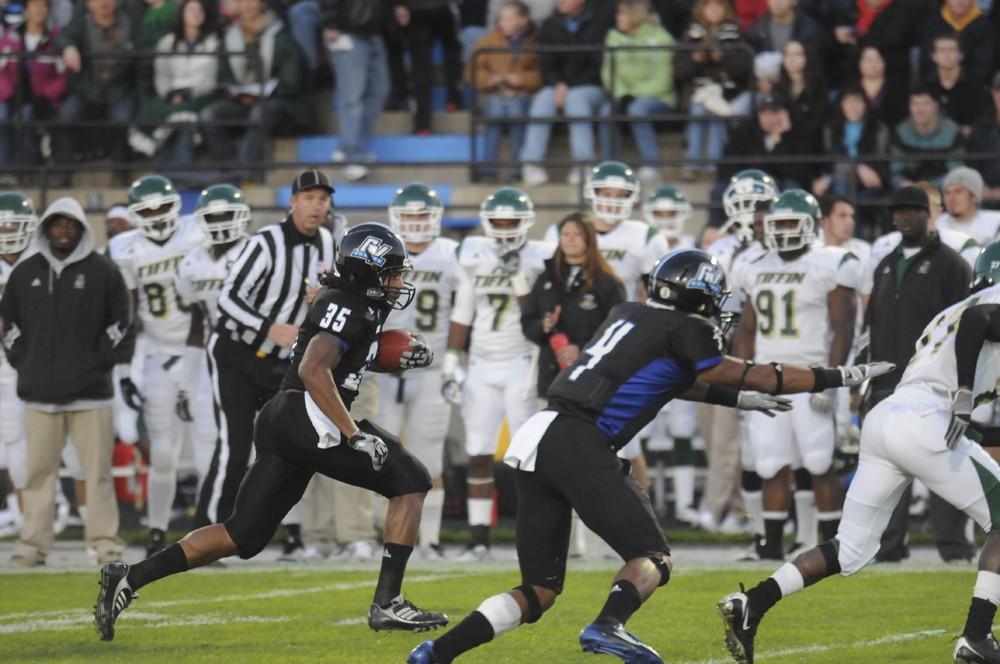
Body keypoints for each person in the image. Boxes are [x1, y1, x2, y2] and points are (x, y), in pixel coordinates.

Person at [409, 248, 892, 664]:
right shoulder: (687, 327)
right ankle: (607, 625)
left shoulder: (626, 313)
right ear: (696, 295)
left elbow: (666, 378)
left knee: (539, 590)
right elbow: (749, 373)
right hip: (582, 440)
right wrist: (838, 376)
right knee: (653, 557)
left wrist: (734, 398)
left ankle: (437, 652)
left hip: (541, 434)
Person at [95, 223, 449, 641]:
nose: (399, 282)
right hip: (306, 414)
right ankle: (388, 602)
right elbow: (312, 369)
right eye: (392, 273)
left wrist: (379, 358)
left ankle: (128, 578)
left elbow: (337, 358)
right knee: (411, 482)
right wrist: (352, 433)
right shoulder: (350, 305)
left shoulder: (354, 305)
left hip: (285, 418)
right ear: (368, 273)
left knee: (241, 535)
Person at [716, 242, 1000, 664]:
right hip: (928, 418)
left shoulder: (955, 309)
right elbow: (981, 322)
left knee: (849, 548)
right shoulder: (985, 305)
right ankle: (977, 637)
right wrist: (961, 394)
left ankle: (753, 602)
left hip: (890, 419)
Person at [196, 169, 336, 537]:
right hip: (236, 352)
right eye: (308, 198)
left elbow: (324, 297)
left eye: (322, 199)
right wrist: (268, 328)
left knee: (282, 447)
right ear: (292, 203)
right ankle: (202, 533)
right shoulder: (265, 242)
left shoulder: (326, 242)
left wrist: (321, 298)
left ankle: (259, 530)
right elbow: (227, 299)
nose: (316, 206)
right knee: (235, 447)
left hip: (279, 362)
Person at [1, 195, 134, 566]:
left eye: (70, 225)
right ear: (45, 229)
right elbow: (8, 324)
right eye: (57, 225)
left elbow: (122, 324)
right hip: (38, 395)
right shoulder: (24, 273)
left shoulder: (104, 271)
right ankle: (32, 546)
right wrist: (25, 362)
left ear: (80, 229)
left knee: (98, 475)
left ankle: (106, 544)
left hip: (91, 395)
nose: (63, 231)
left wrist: (99, 363)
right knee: (37, 475)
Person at [732, 189, 860, 559]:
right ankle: (771, 546)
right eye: (779, 224)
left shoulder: (831, 262)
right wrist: (741, 379)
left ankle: (832, 544)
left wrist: (830, 379)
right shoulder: (754, 265)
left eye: (792, 222)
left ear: (811, 225)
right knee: (770, 463)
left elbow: (843, 327)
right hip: (767, 376)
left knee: (820, 463)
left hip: (809, 375)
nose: (785, 231)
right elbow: (748, 329)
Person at [863, 185, 973, 564]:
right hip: (888, 383)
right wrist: (866, 378)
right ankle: (889, 547)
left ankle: (955, 547)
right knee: (889, 472)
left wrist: (962, 384)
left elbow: (968, 327)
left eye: (913, 210)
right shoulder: (886, 264)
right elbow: (871, 324)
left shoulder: (951, 264)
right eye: (899, 210)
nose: (905, 217)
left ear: (929, 214)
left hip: (933, 386)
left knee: (943, 464)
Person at [443, 186, 554, 560]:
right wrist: (450, 362)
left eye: (512, 222)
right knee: (478, 452)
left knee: (527, 456)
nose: (505, 229)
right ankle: (479, 540)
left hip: (522, 363)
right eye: (498, 222)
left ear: (526, 223)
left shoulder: (541, 257)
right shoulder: (473, 253)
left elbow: (535, 316)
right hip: (480, 364)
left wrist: (519, 278)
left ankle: (532, 535)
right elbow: (463, 311)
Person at [109, 174, 207, 556]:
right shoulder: (125, 248)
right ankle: (156, 530)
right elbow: (127, 313)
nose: (154, 214)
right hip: (156, 356)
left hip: (201, 355)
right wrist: (125, 372)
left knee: (207, 448)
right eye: (146, 209)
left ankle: (209, 529)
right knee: (163, 451)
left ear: (175, 207)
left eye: (161, 206)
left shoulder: (196, 233)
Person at [379, 183, 461, 559]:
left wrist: (454, 362)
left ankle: (429, 538)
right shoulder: (383, 253)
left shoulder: (453, 255)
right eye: (408, 215)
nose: (414, 223)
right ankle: (385, 535)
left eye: (421, 215)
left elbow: (465, 312)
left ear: (435, 218)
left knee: (429, 453)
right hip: (384, 369)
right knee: (380, 453)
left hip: (431, 369)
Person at [700, 169, 777, 538]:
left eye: (759, 206)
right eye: (746, 204)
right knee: (720, 436)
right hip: (720, 348)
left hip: (766, 348)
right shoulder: (718, 250)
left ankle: (744, 512)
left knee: (761, 439)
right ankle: (727, 508)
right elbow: (712, 301)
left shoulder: (778, 248)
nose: (751, 213)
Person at [174, 183, 252, 495]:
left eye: (227, 215)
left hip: (254, 355)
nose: (220, 223)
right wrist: (185, 382)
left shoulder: (255, 252)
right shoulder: (191, 263)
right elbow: (196, 326)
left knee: (262, 438)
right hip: (214, 355)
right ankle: (213, 510)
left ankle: (287, 525)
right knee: (206, 433)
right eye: (214, 216)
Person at [521, 212, 626, 396]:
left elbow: (617, 332)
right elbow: (528, 323)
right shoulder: (546, 279)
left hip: (591, 383)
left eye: (577, 234)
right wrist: (543, 327)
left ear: (589, 239)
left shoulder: (607, 283)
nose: (570, 239)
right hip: (551, 381)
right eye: (565, 234)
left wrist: (582, 348)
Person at [199, 0, 306, 176]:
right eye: (241, 1)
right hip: (240, 101)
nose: (247, 5)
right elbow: (223, 76)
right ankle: (229, 170)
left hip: (278, 102)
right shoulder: (229, 37)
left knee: (260, 113)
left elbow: (291, 80)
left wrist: (262, 94)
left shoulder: (280, 34)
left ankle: (246, 171)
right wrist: (236, 94)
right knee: (209, 115)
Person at [519, 0, 613, 187]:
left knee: (576, 100)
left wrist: (568, 87)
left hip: (591, 86)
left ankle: (583, 164)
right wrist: (558, 84)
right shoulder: (549, 24)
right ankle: (531, 163)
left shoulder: (599, 23)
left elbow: (598, 65)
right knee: (543, 100)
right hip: (559, 86)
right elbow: (546, 62)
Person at [130, 0, 221, 167]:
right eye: (191, 10)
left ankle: (181, 168)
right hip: (171, 94)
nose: (195, 14)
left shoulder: (214, 42)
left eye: (199, 10)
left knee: (185, 120)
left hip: (201, 95)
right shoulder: (167, 42)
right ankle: (165, 168)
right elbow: (162, 75)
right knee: (153, 113)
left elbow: (211, 79)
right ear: (182, 14)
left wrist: (189, 92)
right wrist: (169, 94)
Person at [53, 0, 138, 181]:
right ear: (88, 4)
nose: (103, 2)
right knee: (65, 116)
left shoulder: (130, 23)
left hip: (120, 90)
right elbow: (61, 37)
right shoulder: (80, 24)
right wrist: (68, 48)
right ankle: (64, 172)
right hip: (87, 90)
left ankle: (121, 171)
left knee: (121, 118)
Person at [320, 0, 403, 182]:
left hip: (374, 32)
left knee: (381, 90)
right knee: (352, 97)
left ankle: (350, 145)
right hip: (347, 30)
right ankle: (353, 156)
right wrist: (331, 23)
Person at [673, 0, 752, 181]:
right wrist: (695, 59)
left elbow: (745, 67)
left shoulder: (736, 33)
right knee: (700, 109)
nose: (714, 11)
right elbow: (679, 71)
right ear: (702, 10)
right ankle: (691, 165)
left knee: (716, 110)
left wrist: (723, 58)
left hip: (728, 91)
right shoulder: (690, 35)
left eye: (719, 6)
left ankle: (713, 165)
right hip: (697, 91)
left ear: (726, 10)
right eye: (710, 6)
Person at [599, 0, 676, 182]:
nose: (617, 18)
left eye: (622, 14)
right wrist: (623, 94)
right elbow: (608, 73)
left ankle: (652, 165)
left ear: (635, 16)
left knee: (638, 110)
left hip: (659, 97)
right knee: (606, 111)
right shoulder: (613, 38)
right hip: (624, 95)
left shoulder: (661, 38)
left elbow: (662, 80)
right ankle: (612, 167)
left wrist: (635, 96)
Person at [0, 193, 40, 544]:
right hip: (5, 364)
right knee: (12, 445)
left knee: (31, 446)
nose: (7, 231)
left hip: (37, 363)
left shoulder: (42, 261)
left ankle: (39, 516)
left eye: (13, 224)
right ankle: (20, 517)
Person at [468, 0, 542, 183]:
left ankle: (517, 170)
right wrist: (489, 80)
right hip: (494, 93)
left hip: (523, 94)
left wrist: (521, 79)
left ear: (522, 21)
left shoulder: (534, 43)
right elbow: (471, 72)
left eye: (508, 19)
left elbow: (541, 75)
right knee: (495, 110)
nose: (503, 23)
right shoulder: (487, 41)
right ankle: (488, 171)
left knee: (516, 110)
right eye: (501, 19)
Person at [0, 0, 68, 173]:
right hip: (11, 95)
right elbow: (2, 71)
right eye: (35, 5)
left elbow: (62, 76)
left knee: (28, 115)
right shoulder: (10, 37)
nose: (39, 10)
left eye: (43, 6)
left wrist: (46, 96)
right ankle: (5, 170)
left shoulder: (56, 38)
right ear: (26, 10)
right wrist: (8, 95)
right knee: (1, 116)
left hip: (42, 99)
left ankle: (27, 169)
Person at [812, 87, 890, 211]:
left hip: (867, 184)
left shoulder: (878, 129)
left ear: (866, 104)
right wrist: (857, 166)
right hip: (837, 181)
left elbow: (881, 164)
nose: (853, 106)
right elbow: (830, 161)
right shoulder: (831, 130)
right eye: (848, 101)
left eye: (857, 101)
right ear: (841, 105)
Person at [401, 0, 463, 134]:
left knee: (420, 65)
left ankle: (422, 125)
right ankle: (453, 99)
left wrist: (399, 5)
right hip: (441, 7)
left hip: (415, 9)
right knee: (452, 48)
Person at [890, 86, 963, 189]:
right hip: (909, 193)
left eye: (926, 103)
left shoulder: (952, 132)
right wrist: (906, 185)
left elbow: (955, 172)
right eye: (915, 104)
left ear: (936, 105)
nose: (920, 110)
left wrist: (927, 189)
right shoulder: (901, 131)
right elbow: (895, 172)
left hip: (943, 193)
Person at [923, 32, 989, 137]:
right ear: (933, 56)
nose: (947, 55)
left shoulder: (974, 84)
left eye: (951, 50)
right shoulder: (925, 85)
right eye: (942, 50)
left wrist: (971, 128)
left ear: (960, 55)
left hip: (967, 140)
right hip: (932, 140)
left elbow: (982, 117)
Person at [920, 0, 995, 87]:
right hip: (936, 85)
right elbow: (927, 59)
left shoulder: (985, 26)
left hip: (973, 86)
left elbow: (983, 63)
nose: (959, 2)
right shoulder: (933, 24)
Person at [773, 39, 825, 155]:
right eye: (787, 54)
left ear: (807, 57)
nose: (792, 59)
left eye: (797, 54)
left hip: (813, 145)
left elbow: (818, 122)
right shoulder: (777, 89)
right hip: (784, 145)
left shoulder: (819, 86)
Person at [938, 166, 1000, 245]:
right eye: (947, 192)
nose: (951, 198)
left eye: (958, 192)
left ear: (974, 196)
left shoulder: (995, 222)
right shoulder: (936, 224)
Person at [852, 44, 907, 129]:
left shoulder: (897, 89)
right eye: (868, 60)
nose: (873, 64)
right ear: (859, 64)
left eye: (878, 59)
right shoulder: (851, 90)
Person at [968, 72, 1000, 200]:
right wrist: (980, 187)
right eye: (998, 90)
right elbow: (971, 165)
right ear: (993, 94)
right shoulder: (980, 129)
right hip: (984, 201)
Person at [644, 185, 696, 250]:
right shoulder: (639, 248)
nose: (665, 220)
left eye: (672, 213)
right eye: (658, 213)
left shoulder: (693, 247)